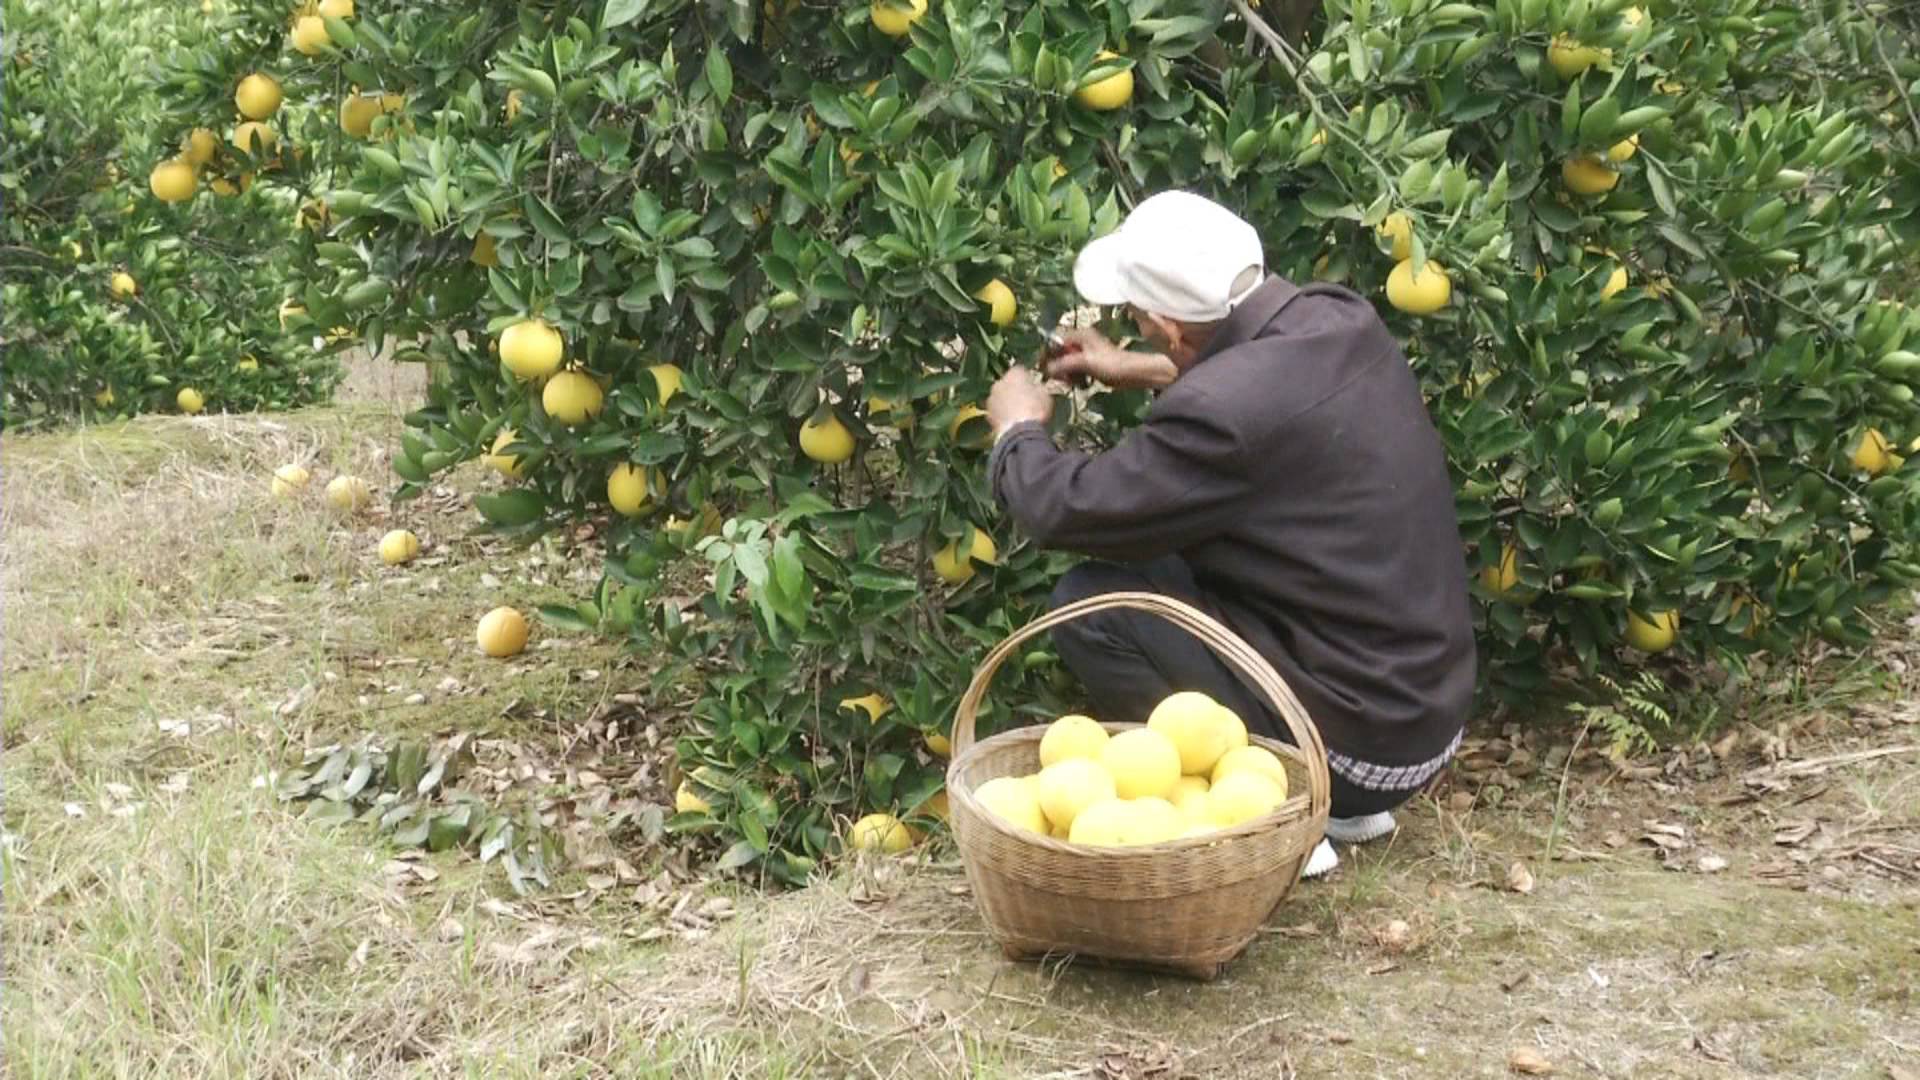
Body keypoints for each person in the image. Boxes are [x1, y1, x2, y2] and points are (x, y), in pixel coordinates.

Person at [983, 190, 1475, 877]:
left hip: (1366, 744)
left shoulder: (1222, 414)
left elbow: (1072, 509)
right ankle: (1341, 803)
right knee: (1171, 558)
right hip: (1418, 715)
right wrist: (1140, 367)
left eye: (1138, 323)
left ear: (1168, 323)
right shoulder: (1337, 319)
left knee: (1092, 605)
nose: (1139, 332)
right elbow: (1257, 390)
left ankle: (1269, 812)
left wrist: (1018, 431)